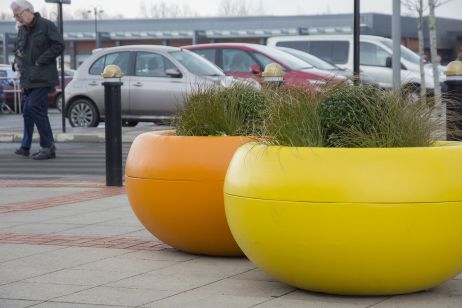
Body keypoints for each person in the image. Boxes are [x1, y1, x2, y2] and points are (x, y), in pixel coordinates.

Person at [10, 0, 64, 160]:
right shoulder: (22, 30)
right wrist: (16, 63)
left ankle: (47, 146)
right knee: (29, 111)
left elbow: (59, 45)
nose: (17, 19)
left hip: (43, 76)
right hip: (28, 79)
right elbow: (18, 50)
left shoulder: (46, 25)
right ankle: (28, 147)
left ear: (27, 11)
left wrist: (41, 60)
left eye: (18, 15)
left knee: (34, 107)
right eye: (15, 16)